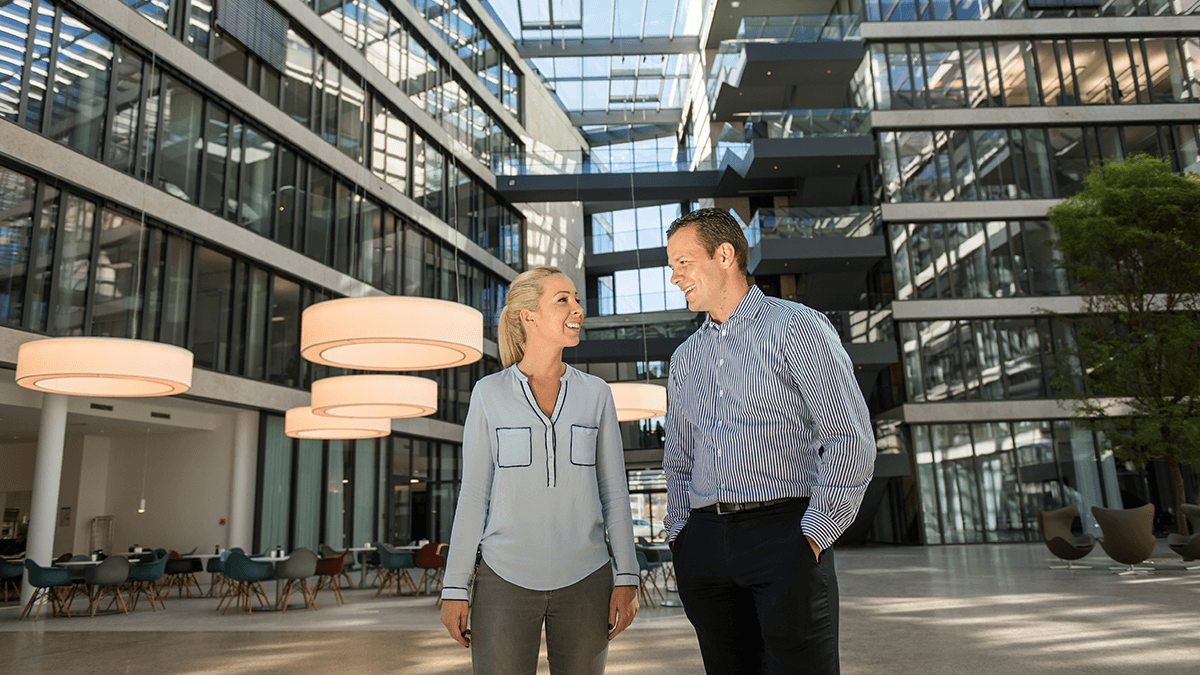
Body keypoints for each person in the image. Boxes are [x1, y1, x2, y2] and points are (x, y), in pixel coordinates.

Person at [662, 208, 876, 675]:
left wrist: (815, 532)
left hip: (786, 534)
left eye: (683, 261)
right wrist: (681, 535)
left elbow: (848, 435)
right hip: (705, 543)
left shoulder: (797, 327)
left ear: (724, 255)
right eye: (671, 264)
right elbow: (678, 460)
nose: (674, 276)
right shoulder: (683, 360)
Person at [440, 266, 640, 675]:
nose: (577, 309)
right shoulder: (489, 394)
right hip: (502, 580)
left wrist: (627, 577)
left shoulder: (596, 394)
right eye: (563, 299)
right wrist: (455, 587)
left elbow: (615, 493)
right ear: (528, 316)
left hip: (587, 579)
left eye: (577, 299)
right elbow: (474, 495)